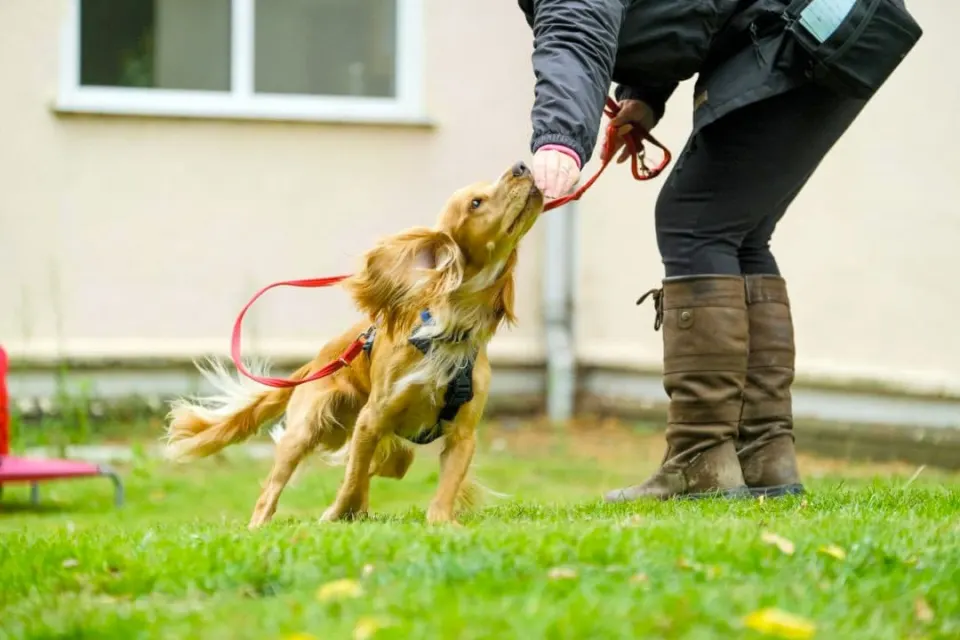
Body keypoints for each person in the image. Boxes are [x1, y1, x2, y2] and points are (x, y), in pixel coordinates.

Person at [517, 0, 920, 501]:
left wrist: (559, 140)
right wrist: (643, 97)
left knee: (693, 224)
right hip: (832, 21)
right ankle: (762, 455)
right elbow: (684, 14)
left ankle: (700, 460)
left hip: (801, 28)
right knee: (737, 232)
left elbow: (577, 35)